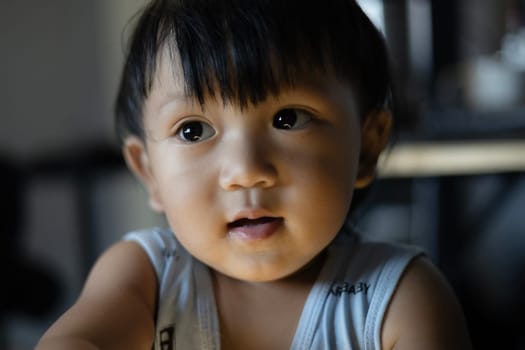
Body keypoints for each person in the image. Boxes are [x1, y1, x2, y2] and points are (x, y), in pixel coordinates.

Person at [36, 0, 472, 349]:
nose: (246, 172)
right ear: (148, 173)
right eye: (193, 130)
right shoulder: (148, 276)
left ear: (367, 145)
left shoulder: (398, 299)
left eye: (289, 118)